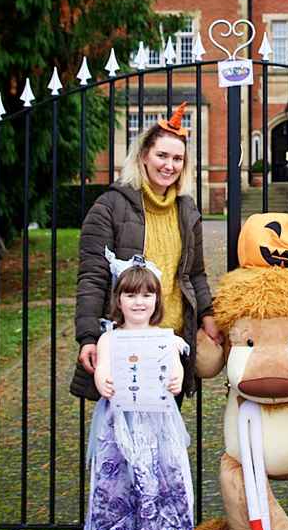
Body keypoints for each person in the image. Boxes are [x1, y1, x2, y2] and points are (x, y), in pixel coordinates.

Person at [70, 101, 220, 403]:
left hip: (171, 341)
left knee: (165, 437)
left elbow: (195, 273)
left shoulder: (186, 210)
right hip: (126, 342)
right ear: (143, 157)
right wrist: (88, 337)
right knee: (125, 438)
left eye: (177, 158)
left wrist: (207, 314)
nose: (169, 165)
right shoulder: (110, 206)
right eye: (162, 155)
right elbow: (92, 277)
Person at [84, 255, 196, 530]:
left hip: (154, 426)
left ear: (157, 300)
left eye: (147, 295)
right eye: (131, 295)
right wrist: (103, 381)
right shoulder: (109, 339)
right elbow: (103, 369)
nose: (139, 302)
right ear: (119, 299)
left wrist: (175, 380)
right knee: (119, 487)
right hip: (118, 425)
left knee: (152, 485)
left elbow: (175, 370)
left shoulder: (166, 339)